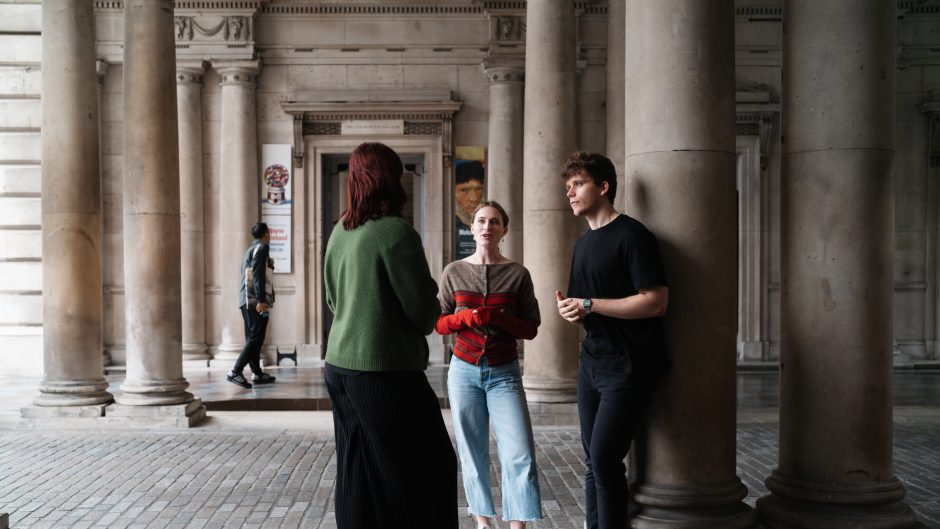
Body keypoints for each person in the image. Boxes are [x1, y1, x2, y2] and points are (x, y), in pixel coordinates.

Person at [323, 142, 457, 529]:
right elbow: (423, 311)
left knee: (356, 468)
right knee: (428, 470)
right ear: (391, 179)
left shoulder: (340, 231)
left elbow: (334, 300)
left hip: (339, 367)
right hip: (386, 372)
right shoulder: (397, 232)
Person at [555, 152, 670, 529]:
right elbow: (587, 306)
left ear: (603, 187)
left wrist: (590, 304)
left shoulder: (634, 235)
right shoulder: (583, 244)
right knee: (594, 463)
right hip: (592, 361)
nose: (570, 193)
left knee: (604, 459)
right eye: (567, 187)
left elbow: (655, 303)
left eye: (578, 184)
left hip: (630, 364)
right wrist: (573, 309)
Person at [437, 201, 543, 529]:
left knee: (520, 453)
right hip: (463, 370)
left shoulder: (517, 274)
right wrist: (463, 319)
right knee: (472, 450)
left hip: (504, 373)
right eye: (481, 221)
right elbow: (438, 323)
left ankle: (518, 524)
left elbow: (531, 327)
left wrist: (498, 318)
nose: (487, 227)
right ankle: (482, 520)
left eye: (494, 222)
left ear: (504, 231)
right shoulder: (453, 272)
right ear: (472, 228)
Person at [227, 222, 277, 389]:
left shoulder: (250, 249)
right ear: (266, 234)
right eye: (269, 233)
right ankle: (236, 371)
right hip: (254, 301)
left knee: (254, 338)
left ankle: (256, 373)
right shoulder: (261, 249)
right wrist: (262, 301)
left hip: (246, 300)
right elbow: (257, 277)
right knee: (256, 337)